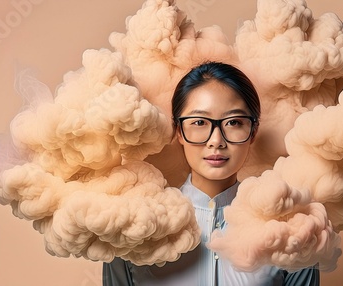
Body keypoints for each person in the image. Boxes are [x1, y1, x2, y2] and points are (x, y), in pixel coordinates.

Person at [103, 62, 319, 286]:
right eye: (199, 122)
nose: (216, 141)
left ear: (253, 131)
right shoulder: (135, 225)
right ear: (179, 131)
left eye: (234, 122)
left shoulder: (290, 228)